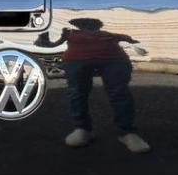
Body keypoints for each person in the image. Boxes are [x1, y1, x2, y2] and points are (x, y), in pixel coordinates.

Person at [36, 18, 151, 152]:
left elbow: (128, 38)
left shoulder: (108, 34)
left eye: (91, 24)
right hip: (77, 60)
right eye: (84, 24)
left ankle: (127, 132)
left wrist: (137, 44)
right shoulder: (69, 33)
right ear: (79, 25)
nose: (88, 26)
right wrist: (43, 39)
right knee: (77, 92)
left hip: (114, 60)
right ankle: (82, 129)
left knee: (119, 93)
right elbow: (52, 45)